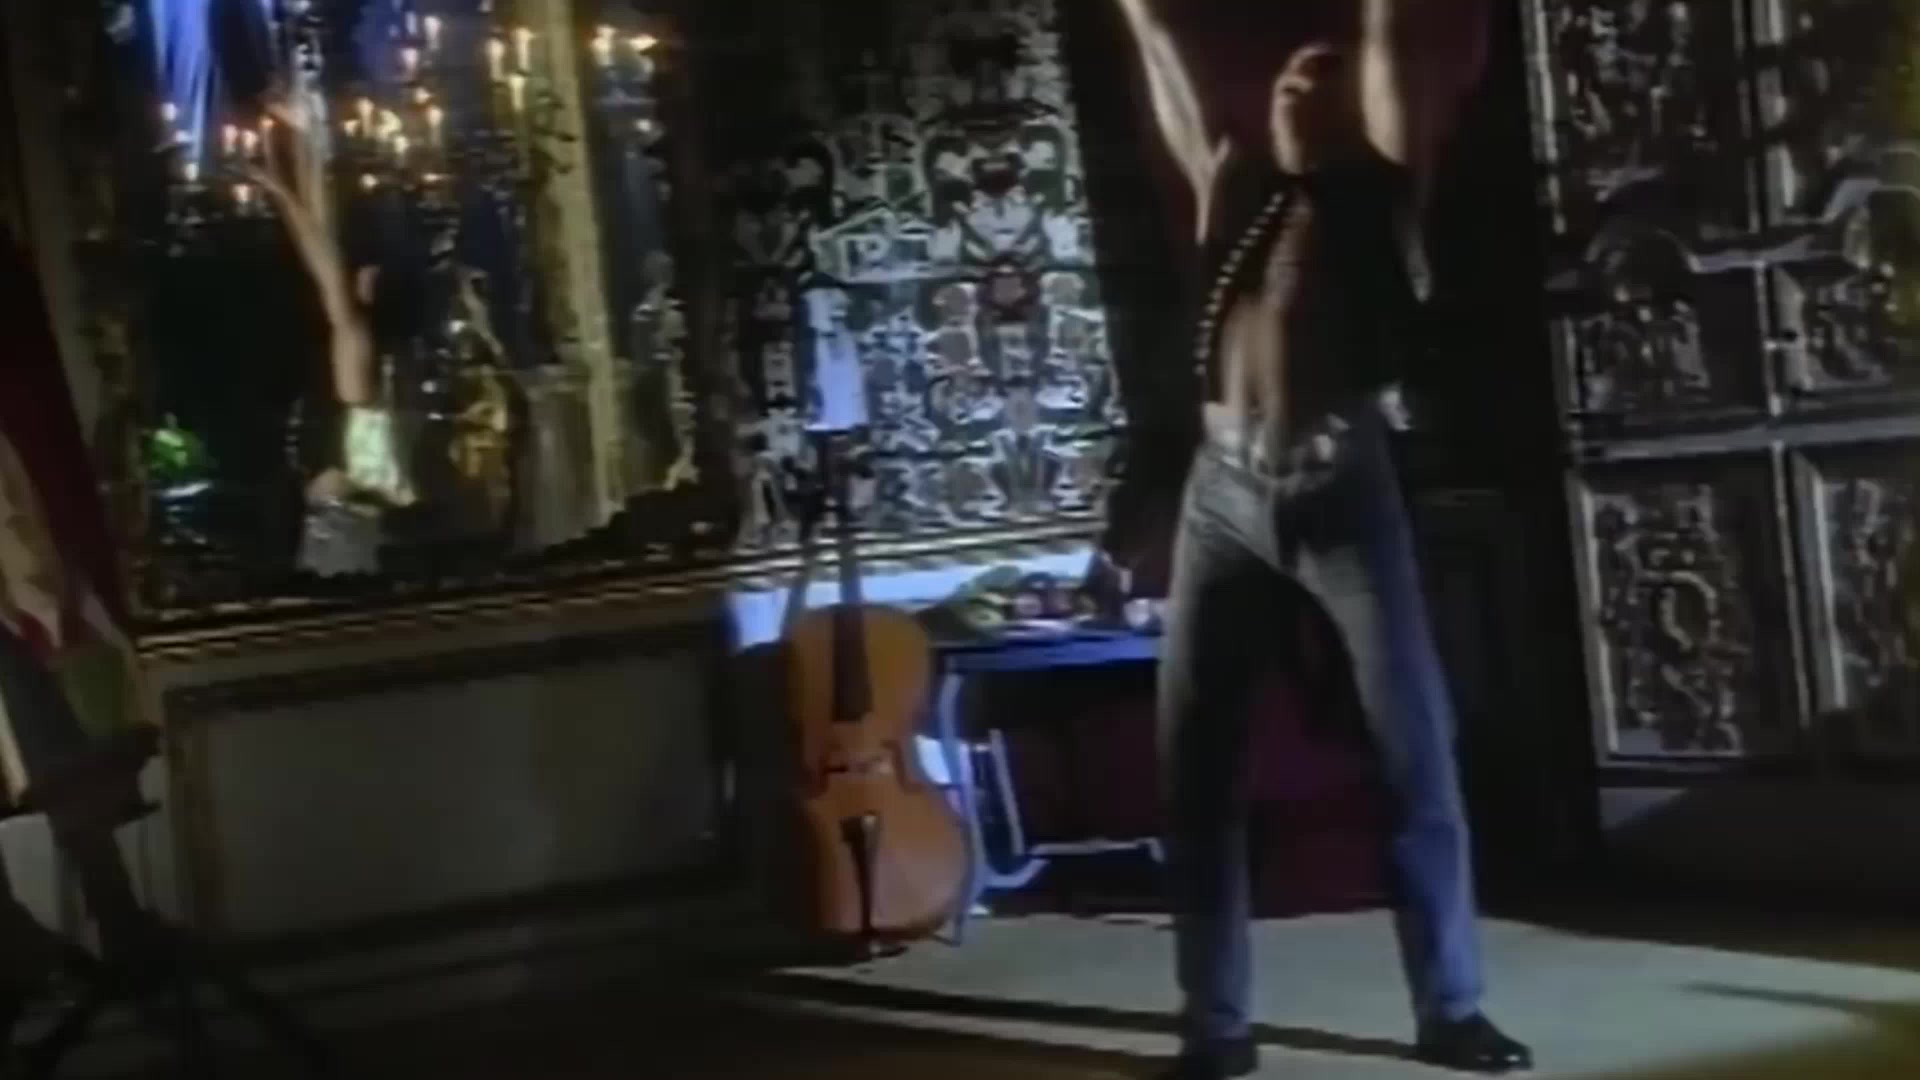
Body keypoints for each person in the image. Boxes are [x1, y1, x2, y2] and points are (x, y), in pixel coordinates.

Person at [1107, 1, 1533, 1076]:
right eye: (1287, 80)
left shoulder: (1382, 194)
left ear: (1354, 112)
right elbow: (1169, 70)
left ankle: (1452, 1009)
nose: (1296, 88)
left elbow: (1389, 49)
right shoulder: (1235, 195)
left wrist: (1377, 29)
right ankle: (1216, 1028)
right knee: (1197, 767)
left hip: (1340, 487)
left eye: (1321, 79)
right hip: (1221, 497)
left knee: (1413, 755)